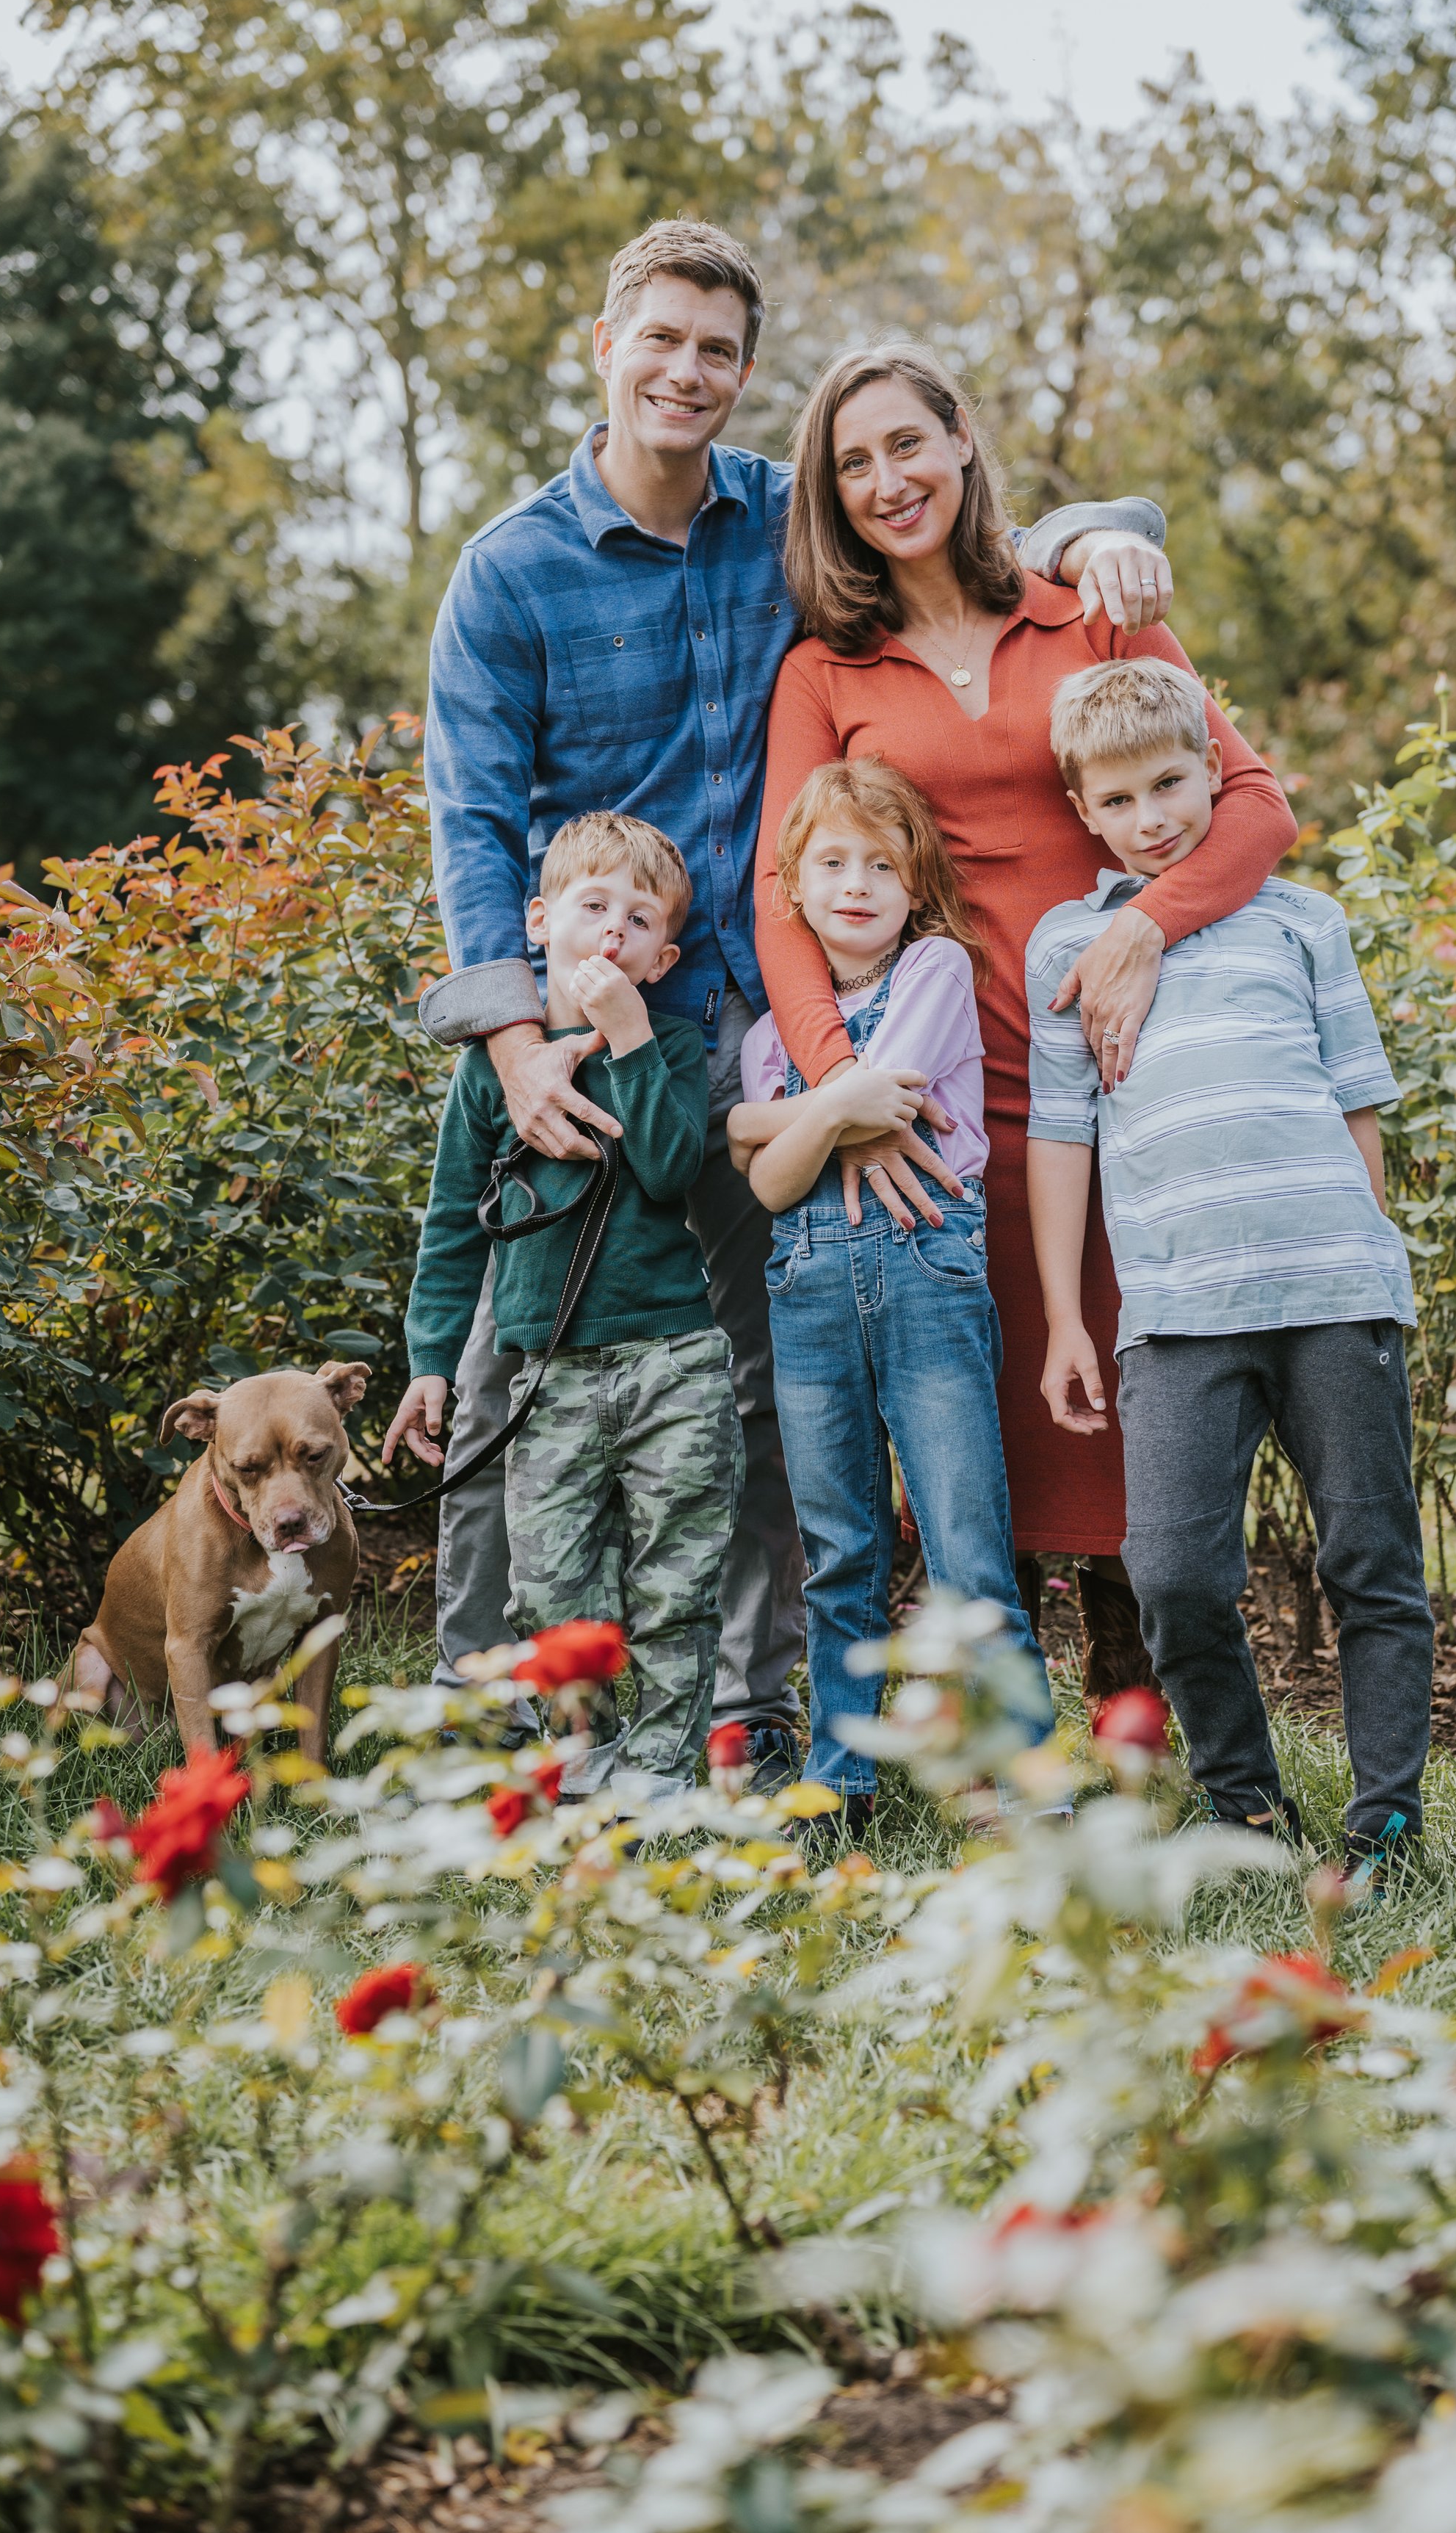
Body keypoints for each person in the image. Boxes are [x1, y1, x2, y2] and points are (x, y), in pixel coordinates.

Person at [421, 221, 1173, 1788]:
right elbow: (473, 821)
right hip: (583, 1036)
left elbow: (963, 538)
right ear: (606, 345)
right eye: (661, 340)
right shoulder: (510, 571)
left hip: (762, 1030)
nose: (686, 372)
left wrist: (1111, 523)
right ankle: (494, 1731)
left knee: (765, 1397)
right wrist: (509, 1041)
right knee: (526, 1376)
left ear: (743, 374)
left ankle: (745, 1724)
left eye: (716, 350)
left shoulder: (785, 520)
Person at [754, 342, 1299, 1697]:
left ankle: (1139, 1673)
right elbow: (780, 896)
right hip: (943, 1091)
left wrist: (1141, 924)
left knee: (1136, 1372)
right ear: (830, 495)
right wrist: (848, 1091)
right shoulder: (829, 669)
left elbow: (1256, 804)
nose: (889, 481)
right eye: (854, 463)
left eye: (908, 444)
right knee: (978, 1407)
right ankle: (993, 1704)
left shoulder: (1088, 614)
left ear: (962, 442)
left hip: (1130, 1064)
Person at [1024, 658, 1433, 1878]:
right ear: (1083, 811)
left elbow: (1358, 1101)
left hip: (1335, 1291)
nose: (1153, 817)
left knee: (1371, 1558)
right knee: (1174, 1570)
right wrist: (1062, 1318)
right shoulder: (1073, 941)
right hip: (1177, 1310)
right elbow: (1061, 1139)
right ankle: (1243, 1801)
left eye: (1172, 782)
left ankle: (1387, 1819)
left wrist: (1373, 1246)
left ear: (1217, 770)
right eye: (1122, 799)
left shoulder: (1303, 921)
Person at [386, 813, 741, 1798]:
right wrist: (429, 1359)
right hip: (548, 1371)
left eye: (640, 919)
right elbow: (456, 1218)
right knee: (551, 1585)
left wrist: (627, 1037)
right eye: (594, 908)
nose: (614, 933)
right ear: (539, 923)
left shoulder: (668, 1047)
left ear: (665, 955)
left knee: (676, 1576)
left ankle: (665, 1776)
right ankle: (586, 1765)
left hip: (671, 1357)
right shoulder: (489, 1072)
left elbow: (671, 1172)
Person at [729, 759, 1054, 1827]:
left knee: (967, 1540)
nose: (858, 882)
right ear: (793, 883)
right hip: (810, 1287)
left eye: (883, 863)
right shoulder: (769, 1034)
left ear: (917, 884)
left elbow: (884, 1106)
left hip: (925, 1269)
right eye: (832, 862)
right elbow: (777, 1186)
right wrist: (819, 1114)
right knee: (839, 1549)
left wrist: (782, 1121)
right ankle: (842, 1778)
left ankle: (1022, 1778)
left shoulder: (937, 972)